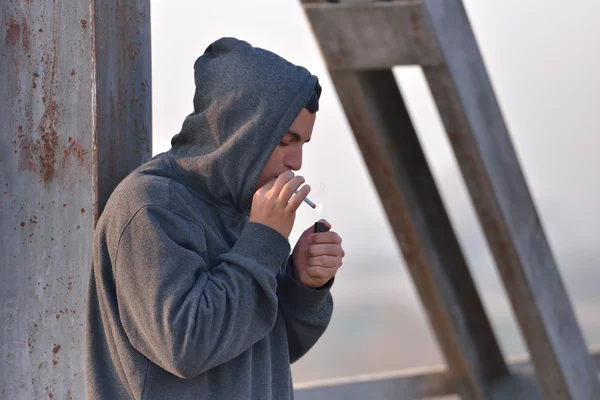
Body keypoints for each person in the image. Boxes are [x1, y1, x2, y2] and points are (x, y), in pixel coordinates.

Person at [85, 37, 345, 400]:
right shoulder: (149, 206)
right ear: (241, 129)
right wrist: (265, 240)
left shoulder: (246, 214)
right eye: (286, 140)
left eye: (303, 144)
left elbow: (266, 350)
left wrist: (302, 284)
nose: (296, 162)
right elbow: (188, 345)